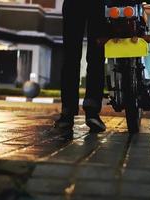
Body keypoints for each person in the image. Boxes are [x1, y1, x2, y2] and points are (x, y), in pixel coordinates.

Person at [54, 0, 107, 133]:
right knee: (95, 57)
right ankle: (91, 111)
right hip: (97, 5)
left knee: (72, 57)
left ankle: (68, 113)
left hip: (78, 4)